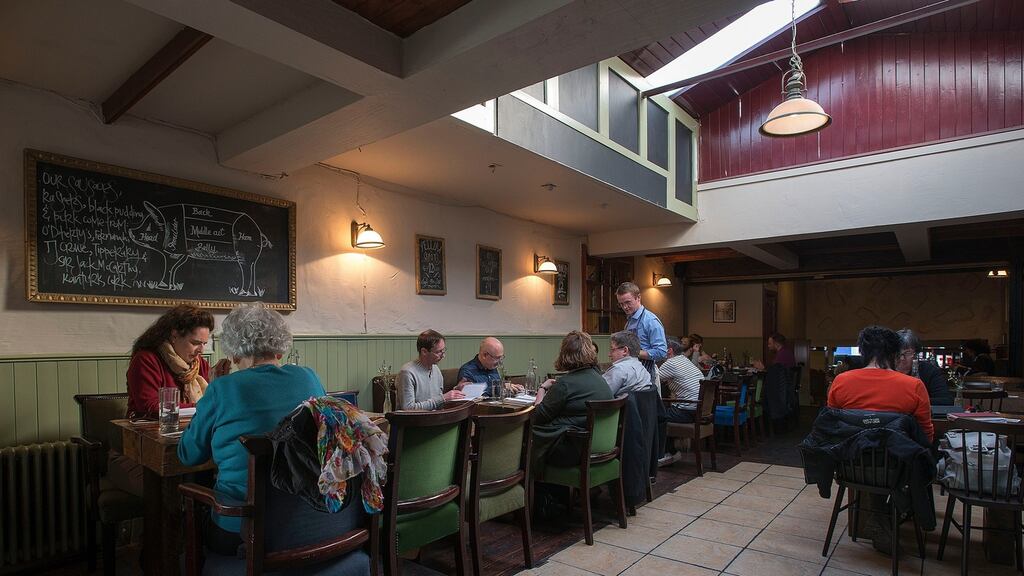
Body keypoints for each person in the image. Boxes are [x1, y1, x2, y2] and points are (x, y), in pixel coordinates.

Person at [177, 302, 326, 555]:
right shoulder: (309, 378)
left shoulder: (223, 389)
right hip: (309, 519)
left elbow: (188, 455)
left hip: (242, 528)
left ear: (234, 354)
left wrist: (212, 391)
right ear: (278, 348)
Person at [827, 325, 933, 442]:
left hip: (849, 457)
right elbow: (926, 436)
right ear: (894, 353)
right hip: (901, 457)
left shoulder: (841, 381)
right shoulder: (915, 385)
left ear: (862, 352)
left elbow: (830, 426)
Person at [126, 304, 231, 419]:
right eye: (195, 343)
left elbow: (216, 403)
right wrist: (203, 406)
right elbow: (151, 408)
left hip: (189, 429)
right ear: (174, 335)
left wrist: (218, 383)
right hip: (147, 431)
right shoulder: (146, 360)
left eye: (204, 344)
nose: (201, 350)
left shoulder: (199, 363)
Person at [532, 331, 613, 470]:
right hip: (596, 445)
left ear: (565, 354)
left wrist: (542, 389)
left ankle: (538, 489)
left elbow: (536, 417)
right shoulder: (600, 379)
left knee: (523, 437)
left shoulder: (565, 384)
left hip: (571, 451)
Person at [397, 329, 464, 410]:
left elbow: (438, 404)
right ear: (424, 351)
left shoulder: (435, 369)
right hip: (415, 421)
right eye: (439, 352)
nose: (443, 356)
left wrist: (456, 392)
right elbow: (408, 408)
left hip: (435, 418)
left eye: (443, 350)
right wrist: (442, 398)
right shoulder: (407, 372)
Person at [616, 282, 667, 386]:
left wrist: (634, 352)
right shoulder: (630, 321)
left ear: (638, 298)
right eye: (621, 304)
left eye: (628, 302)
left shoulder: (650, 321)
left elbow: (661, 352)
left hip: (646, 373)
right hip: (633, 372)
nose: (625, 307)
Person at [896, 328, 952, 405]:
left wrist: (910, 402)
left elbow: (946, 401)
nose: (902, 358)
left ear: (916, 354)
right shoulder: (885, 369)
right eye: (897, 353)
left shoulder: (929, 371)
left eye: (907, 353)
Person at [660, 337, 705, 423]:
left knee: (652, 414)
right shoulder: (684, 360)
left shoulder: (670, 363)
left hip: (685, 412)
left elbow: (652, 382)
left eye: (660, 348)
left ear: (669, 350)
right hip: (699, 411)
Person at [457, 337, 524, 395]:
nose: (500, 361)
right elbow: (471, 395)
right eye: (497, 358)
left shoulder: (492, 366)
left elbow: (498, 388)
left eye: (501, 357)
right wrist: (501, 387)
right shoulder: (467, 370)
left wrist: (512, 388)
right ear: (484, 355)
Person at [602, 331, 653, 396]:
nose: (609, 354)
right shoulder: (642, 369)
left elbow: (601, 395)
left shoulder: (619, 369)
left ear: (625, 350)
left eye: (612, 349)